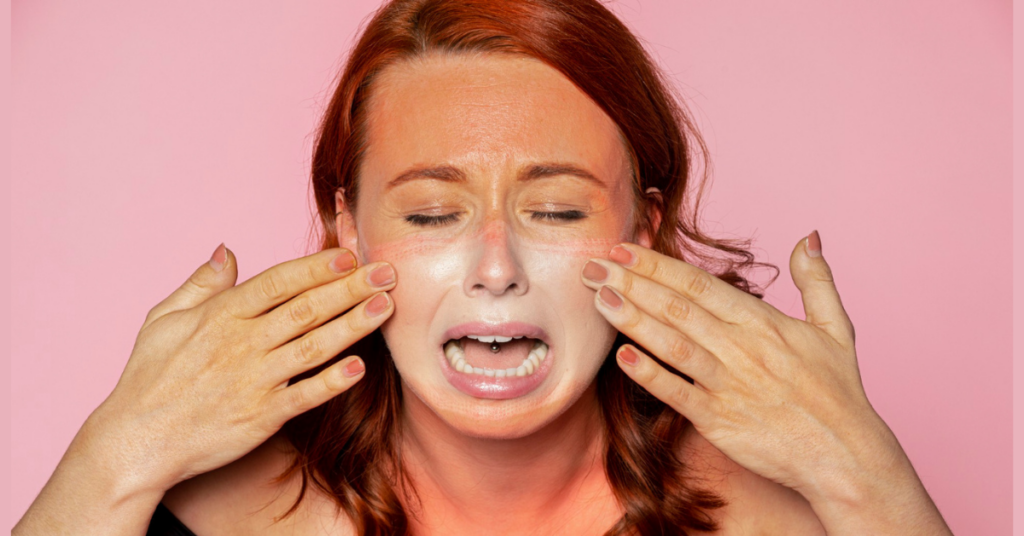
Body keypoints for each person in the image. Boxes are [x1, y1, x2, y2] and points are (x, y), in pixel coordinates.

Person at [14, 0, 954, 534]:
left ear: (646, 227)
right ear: (348, 231)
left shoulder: (796, 518)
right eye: (431, 213)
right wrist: (115, 457)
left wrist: (864, 472)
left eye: (557, 210)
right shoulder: (204, 514)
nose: (496, 268)